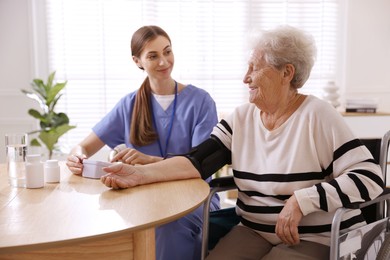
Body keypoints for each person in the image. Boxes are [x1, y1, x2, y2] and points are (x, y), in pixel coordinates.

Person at [99, 25, 384, 260]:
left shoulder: (318, 116)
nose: (245, 77)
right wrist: (140, 175)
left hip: (314, 237)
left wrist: (302, 200)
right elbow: (196, 161)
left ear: (287, 73)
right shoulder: (241, 118)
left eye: (255, 68)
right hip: (254, 231)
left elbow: (370, 178)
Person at [66, 25, 220, 260]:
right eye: (153, 56)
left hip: (193, 199)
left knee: (166, 229)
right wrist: (77, 156)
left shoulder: (201, 102)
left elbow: (203, 169)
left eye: (167, 52)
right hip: (141, 200)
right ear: (137, 61)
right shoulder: (128, 105)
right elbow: (84, 147)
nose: (164, 61)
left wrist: (149, 162)